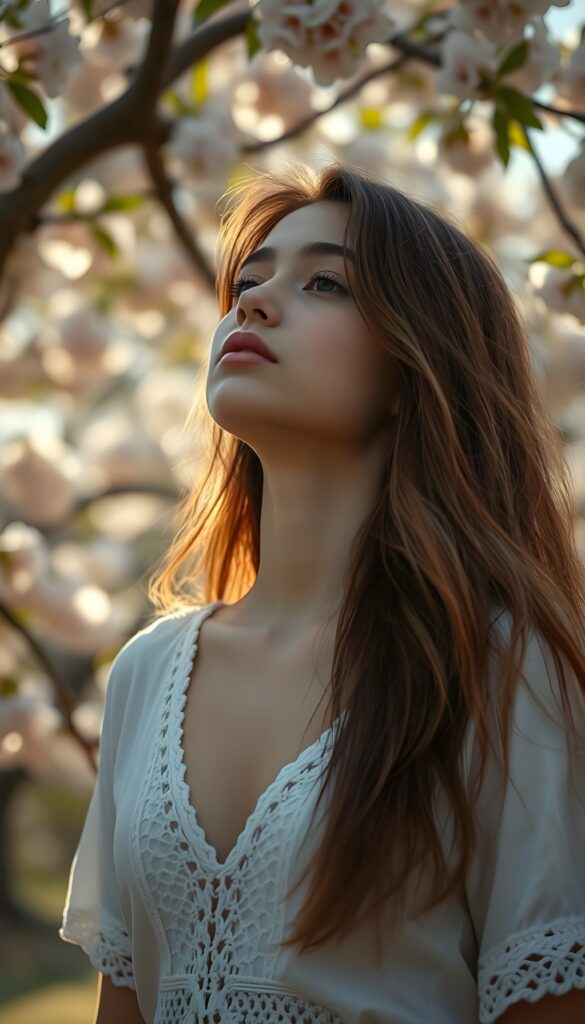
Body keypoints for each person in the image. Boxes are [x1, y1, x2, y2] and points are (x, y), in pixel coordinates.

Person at [59, 161, 585, 1024]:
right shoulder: (145, 673)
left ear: (416, 360)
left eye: (323, 282)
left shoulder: (504, 670)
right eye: (249, 280)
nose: (252, 304)